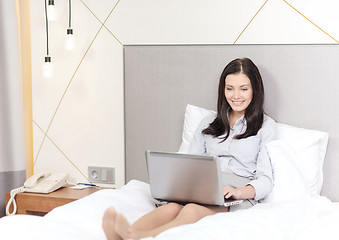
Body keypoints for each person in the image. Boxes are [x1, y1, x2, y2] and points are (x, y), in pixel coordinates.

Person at [102, 58, 277, 240]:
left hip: (235, 195)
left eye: (244, 88)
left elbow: (265, 180)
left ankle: (136, 236)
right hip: (203, 190)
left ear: (255, 90)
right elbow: (189, 162)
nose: (236, 96)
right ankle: (121, 234)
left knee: (191, 210)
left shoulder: (266, 126)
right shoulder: (209, 122)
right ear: (222, 89)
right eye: (229, 88)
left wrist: (237, 192)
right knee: (171, 208)